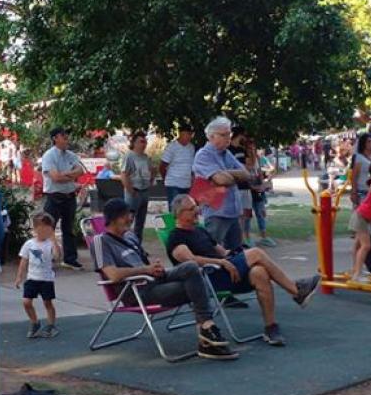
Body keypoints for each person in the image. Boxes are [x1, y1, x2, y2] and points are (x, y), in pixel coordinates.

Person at [91, 198, 238, 360]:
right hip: (136, 291)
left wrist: (155, 268)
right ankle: (207, 333)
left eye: (130, 215)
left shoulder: (130, 237)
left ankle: (206, 331)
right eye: (126, 215)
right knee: (197, 286)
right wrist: (146, 270)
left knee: (191, 267)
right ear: (113, 219)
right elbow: (113, 274)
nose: (130, 218)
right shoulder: (100, 241)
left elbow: (145, 265)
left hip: (153, 281)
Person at [165, 194, 319, 346]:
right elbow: (190, 261)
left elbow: (223, 252)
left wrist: (235, 255)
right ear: (179, 214)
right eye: (192, 208)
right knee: (257, 253)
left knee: (259, 272)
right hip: (208, 279)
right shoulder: (176, 237)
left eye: (196, 206)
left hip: (226, 274)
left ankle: (271, 327)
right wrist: (221, 262)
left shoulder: (200, 231)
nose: (197, 210)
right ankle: (296, 290)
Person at [192, 117, 252, 251]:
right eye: (224, 135)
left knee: (236, 253)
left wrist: (224, 173)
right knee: (212, 252)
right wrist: (231, 176)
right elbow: (221, 180)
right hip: (216, 212)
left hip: (232, 212)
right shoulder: (203, 155)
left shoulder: (227, 153)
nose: (228, 138)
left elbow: (246, 174)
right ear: (211, 136)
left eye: (229, 134)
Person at [41, 127, 85, 270]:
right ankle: (45, 260)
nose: (67, 138)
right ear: (55, 138)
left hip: (69, 197)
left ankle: (70, 259)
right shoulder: (49, 156)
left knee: (69, 229)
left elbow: (80, 171)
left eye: (67, 135)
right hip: (54, 197)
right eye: (63, 135)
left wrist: (64, 175)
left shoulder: (71, 155)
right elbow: (55, 178)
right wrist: (70, 175)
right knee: (47, 228)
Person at [14, 212, 61, 338]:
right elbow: (24, 260)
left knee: (48, 303)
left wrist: (54, 241)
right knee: (26, 302)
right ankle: (35, 322)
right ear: (35, 229)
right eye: (42, 227)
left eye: (48, 227)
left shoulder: (50, 244)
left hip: (46, 279)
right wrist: (19, 277)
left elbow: (57, 257)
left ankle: (51, 325)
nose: (45, 230)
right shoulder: (29, 244)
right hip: (32, 278)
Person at [122, 131, 155, 242]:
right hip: (134, 191)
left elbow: (151, 170)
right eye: (141, 141)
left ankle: (138, 246)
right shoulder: (129, 156)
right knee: (128, 220)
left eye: (145, 141)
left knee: (141, 222)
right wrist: (130, 190)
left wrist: (150, 181)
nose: (144, 144)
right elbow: (124, 174)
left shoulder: (146, 157)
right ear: (134, 143)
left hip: (144, 191)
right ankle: (125, 243)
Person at [160, 124, 195, 207]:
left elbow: (192, 166)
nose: (189, 137)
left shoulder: (191, 147)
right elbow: (162, 166)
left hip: (186, 184)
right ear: (181, 134)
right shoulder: (172, 147)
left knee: (185, 209)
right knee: (174, 209)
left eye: (191, 134)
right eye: (187, 134)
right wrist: (166, 178)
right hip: (173, 183)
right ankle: (172, 220)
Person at [349, 133, 371, 207]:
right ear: (363, 143)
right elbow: (354, 176)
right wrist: (354, 192)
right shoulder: (359, 158)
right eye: (369, 141)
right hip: (362, 193)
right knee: (360, 216)